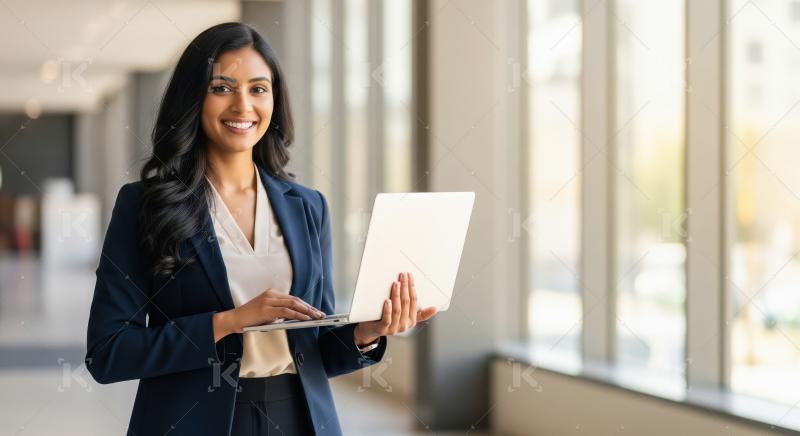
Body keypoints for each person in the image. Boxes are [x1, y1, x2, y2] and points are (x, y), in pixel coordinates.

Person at [84, 22, 437, 436]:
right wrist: (229, 321)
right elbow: (108, 354)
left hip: (300, 418)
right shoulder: (144, 205)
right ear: (192, 98)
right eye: (221, 88)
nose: (242, 105)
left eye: (257, 88)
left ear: (275, 99)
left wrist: (369, 332)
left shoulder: (307, 206)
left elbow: (319, 346)